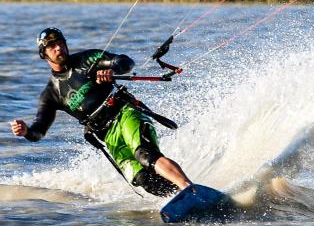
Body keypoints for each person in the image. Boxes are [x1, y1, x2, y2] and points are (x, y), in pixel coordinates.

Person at [10, 27, 192, 197]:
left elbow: (126, 62)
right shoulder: (50, 94)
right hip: (107, 135)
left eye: (61, 43)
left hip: (125, 114)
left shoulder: (87, 59)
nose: (58, 48)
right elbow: (38, 131)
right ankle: (179, 197)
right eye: (51, 46)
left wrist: (111, 69)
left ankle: (189, 189)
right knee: (142, 179)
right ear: (44, 54)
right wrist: (26, 131)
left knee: (145, 154)